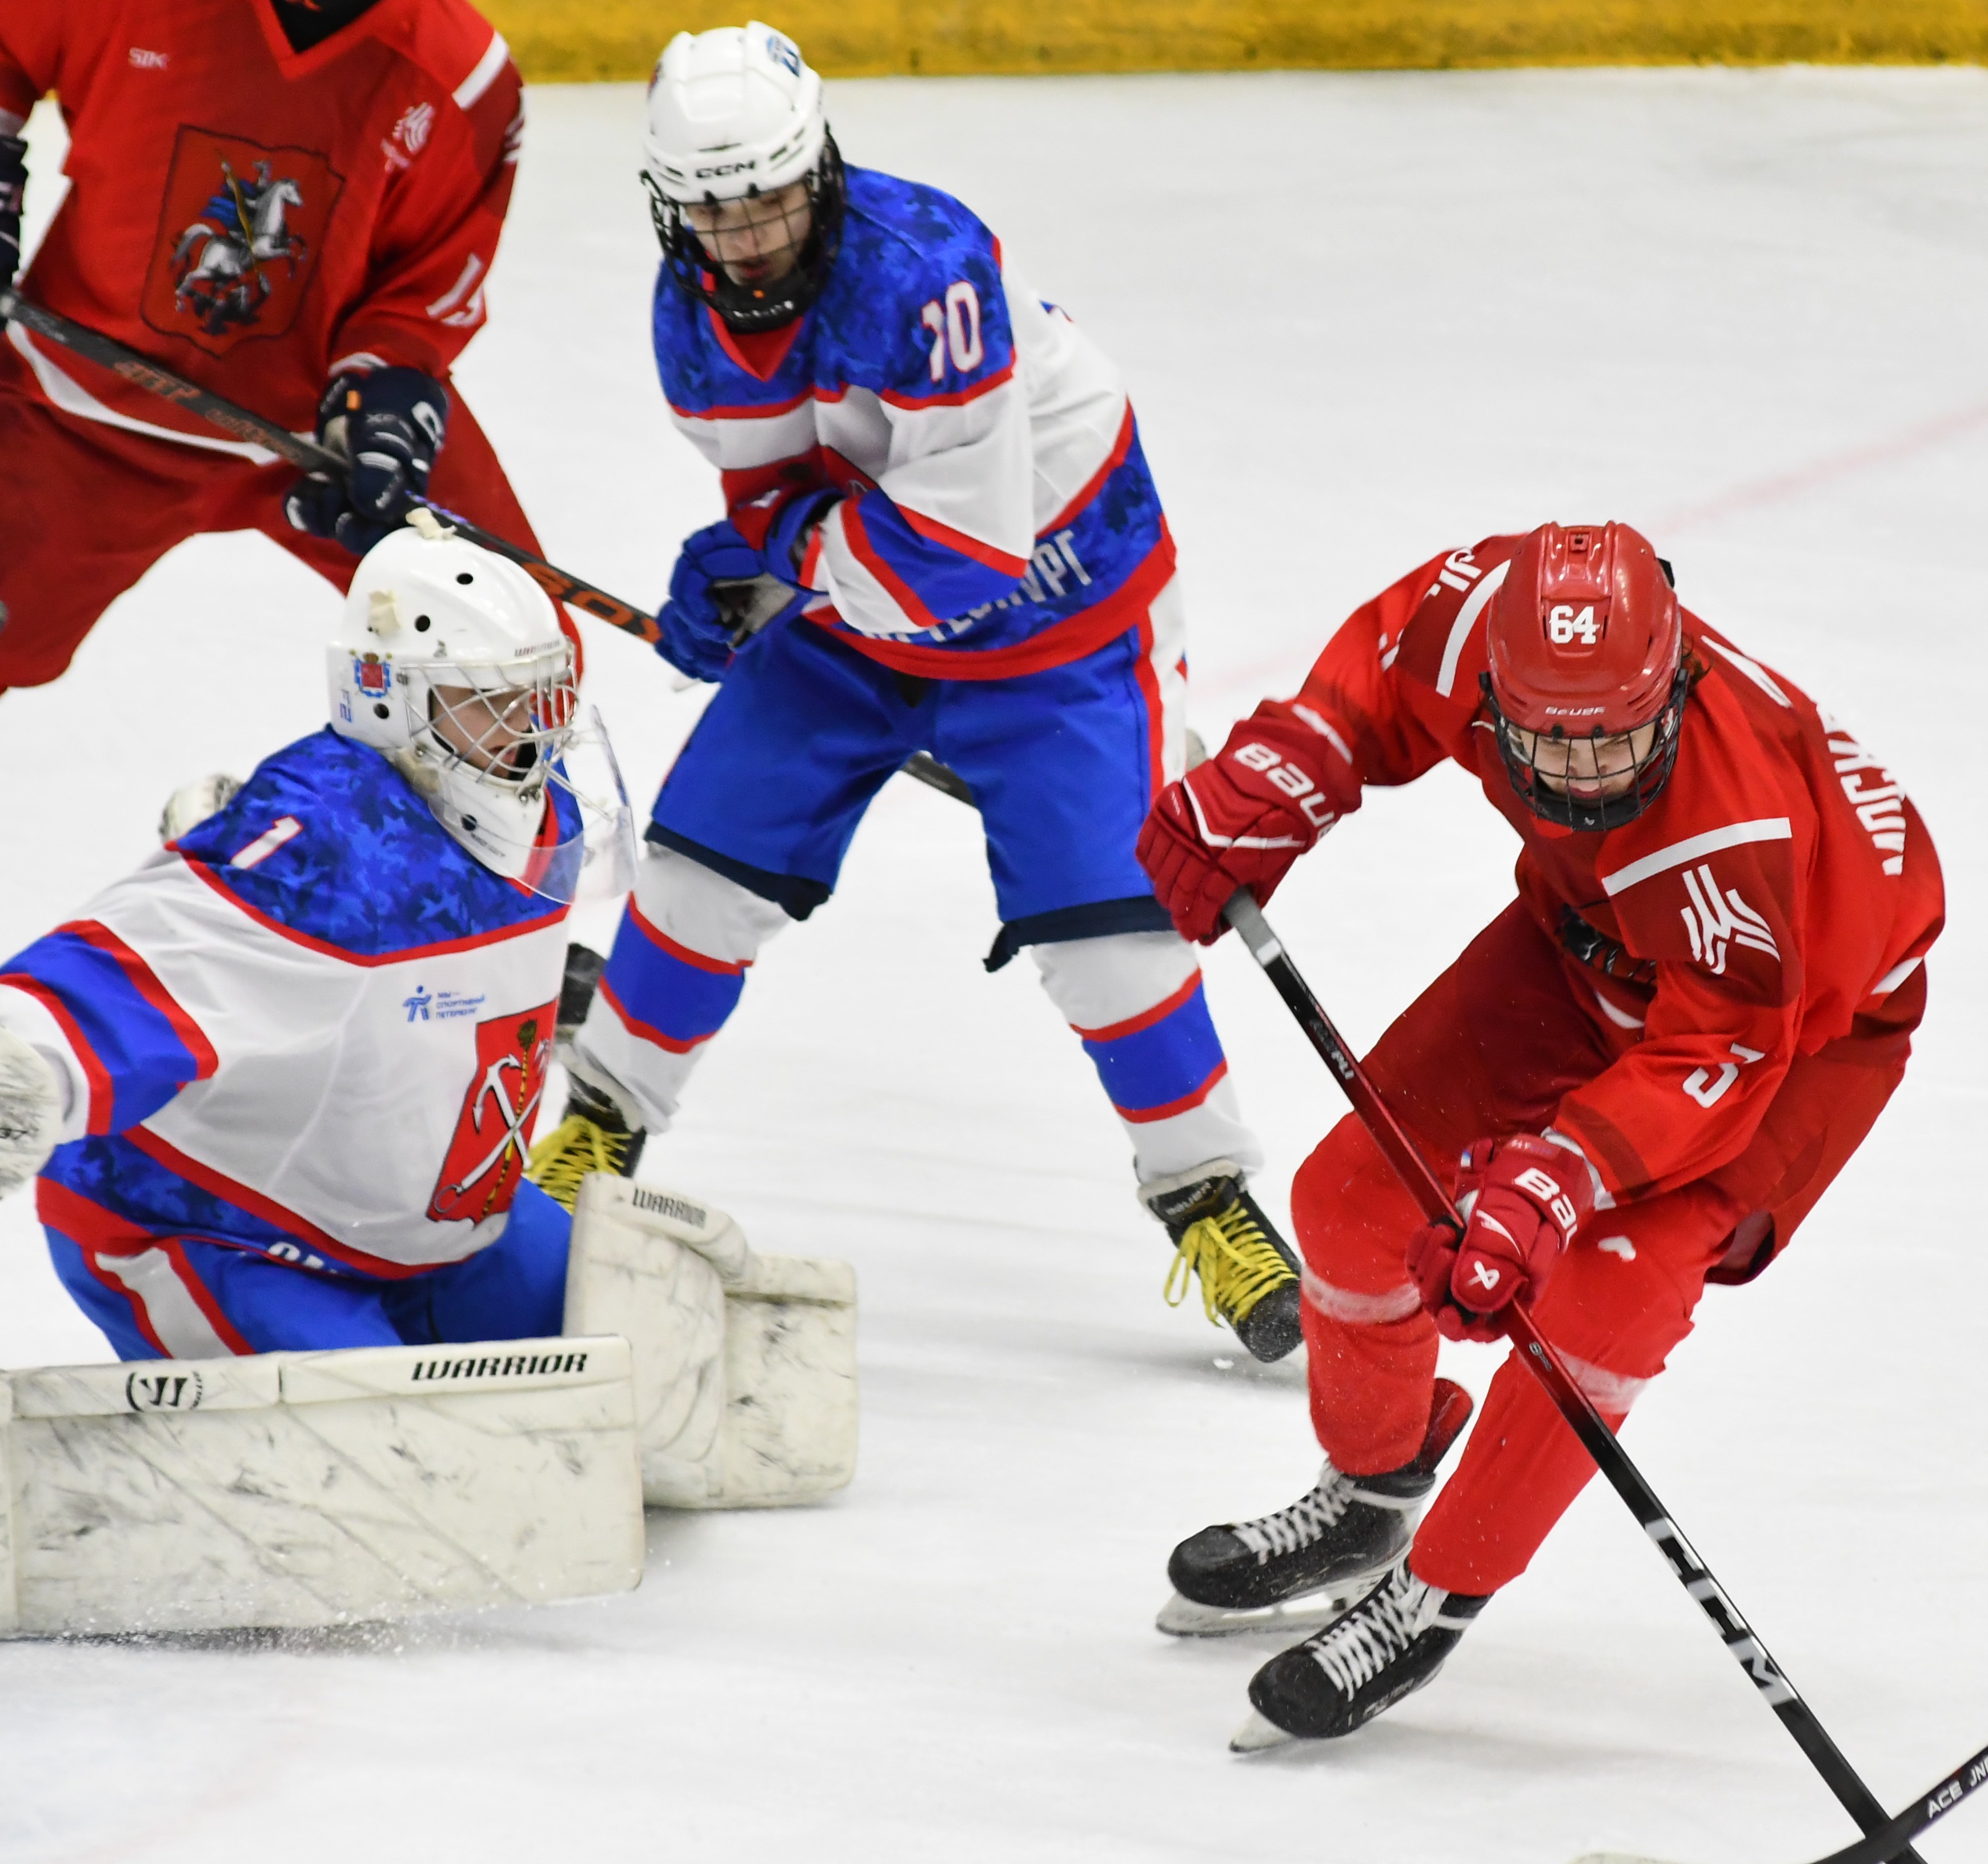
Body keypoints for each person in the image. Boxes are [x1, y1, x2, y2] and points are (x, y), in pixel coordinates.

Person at [527, 23, 1300, 1360]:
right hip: (856, 615)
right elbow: (782, 499)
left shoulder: (923, 269)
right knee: (697, 875)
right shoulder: (691, 315)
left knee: (1111, 938)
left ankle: (1207, 1194)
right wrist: (757, 575)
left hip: (1062, 608)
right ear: (671, 205)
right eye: (714, 207)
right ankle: (600, 1121)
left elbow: (958, 560)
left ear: (816, 164)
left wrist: (769, 564)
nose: (749, 231)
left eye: (768, 191)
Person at [1136, 520, 1945, 1746]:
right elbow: (1381, 669)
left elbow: (1716, 1050)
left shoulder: (1734, 831)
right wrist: (1289, 769)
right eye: (1547, 741)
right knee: (1351, 1205)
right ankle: (1373, 1492)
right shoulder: (1482, 626)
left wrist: (1547, 1190)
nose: (1576, 773)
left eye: (1611, 738)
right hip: (1588, 945)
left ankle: (1434, 1593)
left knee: (1602, 1305)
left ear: (1676, 683)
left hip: (1795, 1038)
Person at [0, 522, 610, 1358]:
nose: (529, 733)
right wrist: (27, 1065)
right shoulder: (322, 849)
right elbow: (140, 964)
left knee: (648, 1357)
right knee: (398, 1470)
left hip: (434, 1227)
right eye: (489, 700)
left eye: (540, 696)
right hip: (218, 1228)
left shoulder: (543, 801)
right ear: (389, 695)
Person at [0, 0, 556, 691]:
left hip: (316, 436)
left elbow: (424, 285)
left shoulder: (463, 77)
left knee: (513, 659)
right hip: (74, 406)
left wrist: (380, 390)